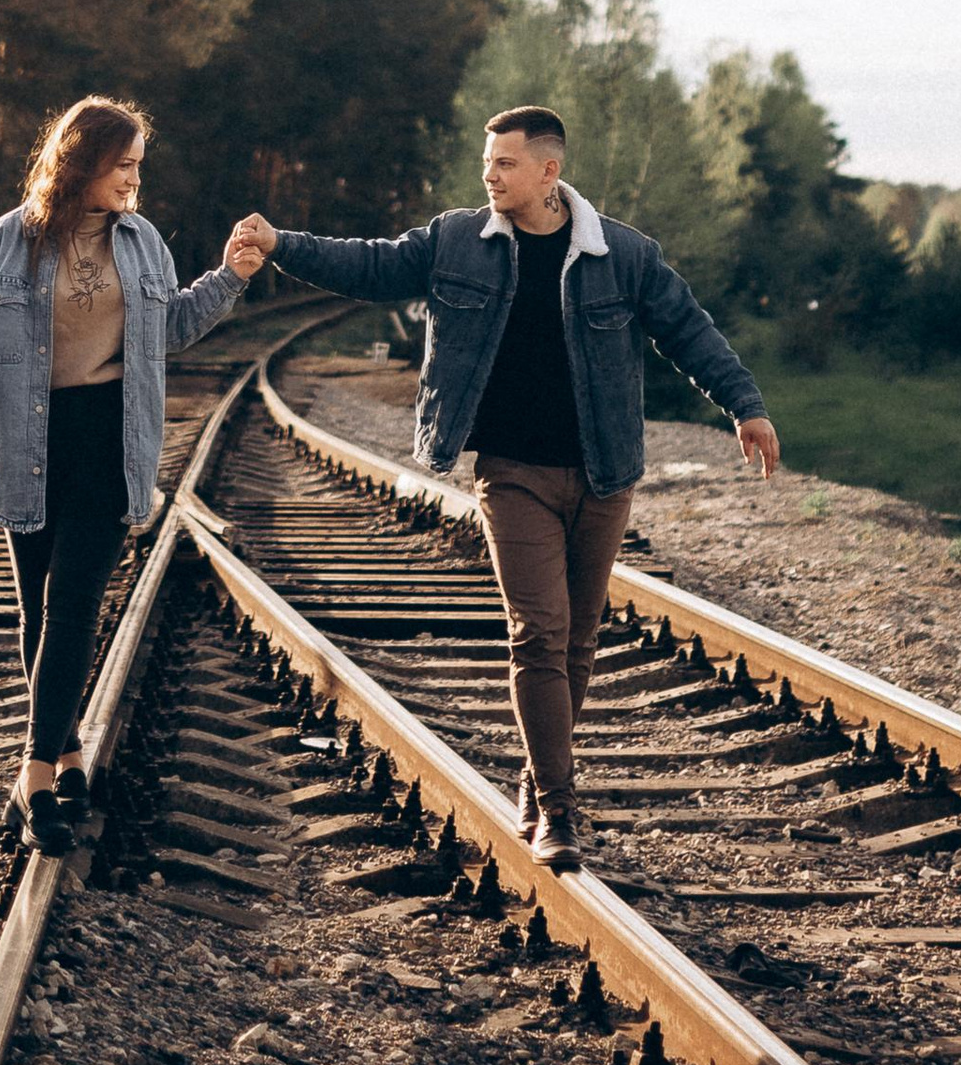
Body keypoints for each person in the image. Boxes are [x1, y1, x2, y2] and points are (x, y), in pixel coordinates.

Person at [226, 105, 777, 868]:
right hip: (512, 472)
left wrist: (743, 404)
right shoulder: (457, 239)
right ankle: (558, 806)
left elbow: (688, 330)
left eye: (505, 163)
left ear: (549, 171)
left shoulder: (623, 254)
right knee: (538, 632)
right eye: (487, 162)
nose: (489, 174)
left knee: (577, 640)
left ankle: (537, 772)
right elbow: (372, 265)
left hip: (604, 471)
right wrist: (283, 243)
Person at [0, 95, 260, 854]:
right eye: (122, 164)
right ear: (82, 162)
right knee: (38, 612)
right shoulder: (2, 245)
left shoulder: (143, 241)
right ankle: (66, 757)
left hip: (110, 440)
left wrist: (228, 277)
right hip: (26, 441)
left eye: (138, 165)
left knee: (72, 607)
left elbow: (171, 327)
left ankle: (31, 778)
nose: (134, 179)